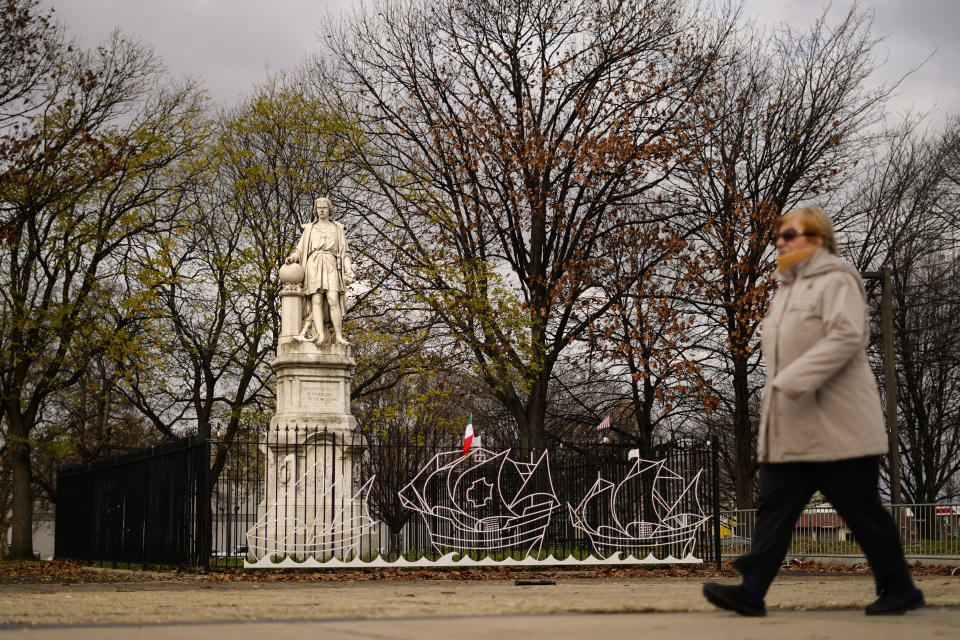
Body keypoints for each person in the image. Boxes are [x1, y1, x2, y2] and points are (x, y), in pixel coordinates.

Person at [703, 205, 923, 616]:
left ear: (817, 240)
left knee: (861, 511)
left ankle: (901, 589)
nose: (780, 243)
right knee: (774, 509)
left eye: (790, 235)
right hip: (794, 426)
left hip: (839, 426)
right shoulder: (786, 291)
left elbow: (847, 336)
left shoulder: (838, 279)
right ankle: (751, 591)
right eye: (778, 237)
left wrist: (792, 382)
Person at [285, 197, 355, 345]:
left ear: (329, 209)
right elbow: (300, 249)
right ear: (315, 210)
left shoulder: (337, 228)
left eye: (324, 207)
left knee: (332, 299)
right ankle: (321, 335)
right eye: (319, 208)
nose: (321, 210)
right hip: (314, 263)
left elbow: (345, 253)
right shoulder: (310, 228)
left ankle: (339, 336)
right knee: (316, 299)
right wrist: (292, 257)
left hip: (330, 263)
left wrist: (348, 269)